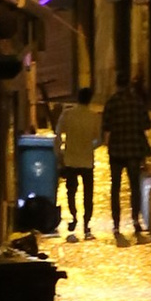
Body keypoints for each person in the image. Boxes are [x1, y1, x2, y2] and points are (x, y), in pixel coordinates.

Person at [101, 72, 151, 241]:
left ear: (116, 85)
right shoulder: (137, 102)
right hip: (134, 150)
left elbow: (106, 128)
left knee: (115, 188)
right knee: (134, 187)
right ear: (128, 85)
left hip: (116, 151)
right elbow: (146, 124)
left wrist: (108, 143)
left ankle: (116, 223)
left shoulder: (112, 103)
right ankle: (135, 220)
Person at [56, 90, 101, 237]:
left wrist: (59, 154)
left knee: (71, 192)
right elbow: (99, 139)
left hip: (70, 160)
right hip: (87, 161)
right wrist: (90, 147)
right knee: (88, 195)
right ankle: (87, 225)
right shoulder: (94, 117)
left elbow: (57, 136)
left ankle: (74, 217)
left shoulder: (68, 115)